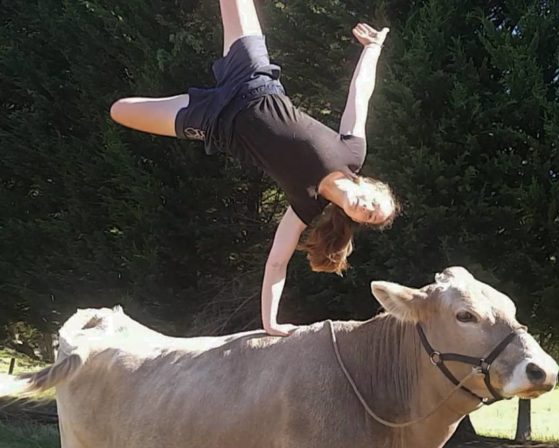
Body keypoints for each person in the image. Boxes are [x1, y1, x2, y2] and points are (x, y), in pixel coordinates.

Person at [110, 0, 398, 336]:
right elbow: (359, 95)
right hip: (252, 76)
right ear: (370, 186)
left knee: (119, 110)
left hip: (216, 123)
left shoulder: (306, 206)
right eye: (375, 205)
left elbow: (277, 262)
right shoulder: (351, 152)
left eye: (370, 218)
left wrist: (270, 322)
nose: (368, 211)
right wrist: (373, 49)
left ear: (356, 220)